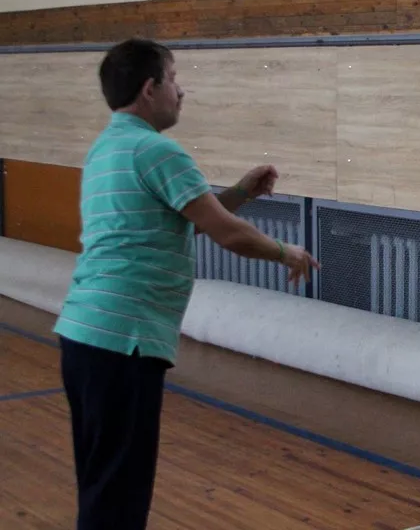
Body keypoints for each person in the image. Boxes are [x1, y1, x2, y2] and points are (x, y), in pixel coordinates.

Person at [53, 37, 320, 530]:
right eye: (174, 79)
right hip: (125, 340)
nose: (181, 91)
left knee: (102, 486)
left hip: (85, 336)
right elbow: (226, 234)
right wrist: (288, 252)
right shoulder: (156, 150)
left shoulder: (107, 147)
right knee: (119, 498)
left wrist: (239, 193)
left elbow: (179, 222)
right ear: (149, 88)